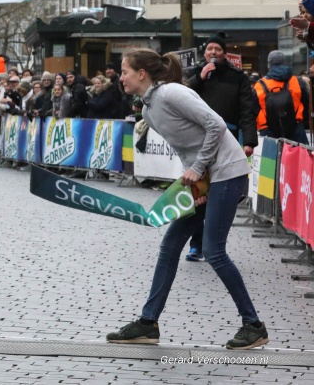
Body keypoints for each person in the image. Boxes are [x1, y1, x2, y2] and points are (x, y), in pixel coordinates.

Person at [107, 48, 267, 350]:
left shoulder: (171, 93)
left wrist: (198, 169)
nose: (121, 76)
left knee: (213, 251)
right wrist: (196, 183)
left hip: (228, 172)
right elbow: (185, 149)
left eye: (125, 70)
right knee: (170, 245)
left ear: (142, 73)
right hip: (208, 178)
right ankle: (148, 323)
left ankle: (253, 325)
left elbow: (216, 125)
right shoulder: (147, 110)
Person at [183, 32, 258, 262]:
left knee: (220, 192)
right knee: (198, 192)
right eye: (209, 49)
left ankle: (213, 244)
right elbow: (183, 96)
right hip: (199, 140)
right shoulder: (195, 74)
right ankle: (196, 245)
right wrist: (200, 78)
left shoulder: (238, 77)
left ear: (224, 53)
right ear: (204, 53)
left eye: (217, 49)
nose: (213, 53)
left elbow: (248, 109)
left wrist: (249, 141)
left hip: (227, 139)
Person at [253, 50, 309, 144]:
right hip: (296, 131)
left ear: (269, 65)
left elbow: (253, 110)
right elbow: (306, 104)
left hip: (268, 133)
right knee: (299, 158)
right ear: (284, 62)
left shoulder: (259, 85)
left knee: (271, 159)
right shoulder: (297, 82)